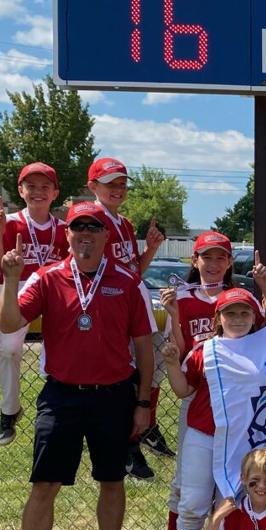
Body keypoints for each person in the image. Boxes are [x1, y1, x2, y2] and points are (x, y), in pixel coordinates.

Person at [0, 201, 157, 530]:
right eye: (77, 227)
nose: (85, 233)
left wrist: (143, 403)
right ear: (67, 234)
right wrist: (10, 280)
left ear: (106, 235)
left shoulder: (127, 281)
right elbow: (8, 323)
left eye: (93, 227)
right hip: (62, 395)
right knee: (44, 485)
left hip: (114, 396)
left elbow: (144, 347)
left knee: (112, 481)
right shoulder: (47, 277)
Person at [154, 231, 266, 530]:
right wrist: (172, 362)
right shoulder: (194, 326)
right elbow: (182, 384)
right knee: (189, 494)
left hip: (241, 431)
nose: (214, 263)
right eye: (207, 256)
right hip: (202, 415)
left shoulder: (253, 329)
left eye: (221, 257)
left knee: (231, 498)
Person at [86, 155, 168, 478]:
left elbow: (133, 270)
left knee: (155, 359)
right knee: (128, 372)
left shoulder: (124, 223)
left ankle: (143, 428)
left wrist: (150, 250)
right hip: (113, 304)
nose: (118, 189)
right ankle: (130, 444)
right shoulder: (92, 219)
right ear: (93, 186)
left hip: (135, 298)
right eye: (110, 184)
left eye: (122, 184)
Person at [0, 162, 67, 446]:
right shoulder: (8, 221)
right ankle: (9, 410)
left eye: (45, 187)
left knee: (66, 346)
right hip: (18, 288)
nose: (38, 192)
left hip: (55, 290)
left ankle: (62, 402)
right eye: (31, 186)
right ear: (20, 191)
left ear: (55, 193)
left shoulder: (65, 228)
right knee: (9, 348)